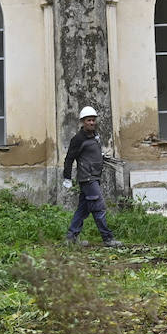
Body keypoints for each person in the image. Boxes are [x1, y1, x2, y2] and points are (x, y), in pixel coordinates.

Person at [62, 105, 119, 247]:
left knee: (83, 209)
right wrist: (67, 177)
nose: (92, 123)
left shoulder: (95, 135)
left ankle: (71, 238)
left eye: (93, 120)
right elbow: (69, 158)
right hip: (87, 178)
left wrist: (100, 156)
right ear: (83, 121)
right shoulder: (78, 139)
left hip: (95, 176)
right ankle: (108, 239)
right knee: (98, 207)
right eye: (89, 120)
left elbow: (90, 152)